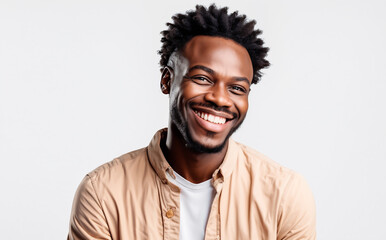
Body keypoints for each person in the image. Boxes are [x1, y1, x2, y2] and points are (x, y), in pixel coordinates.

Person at [68, 4, 316, 240]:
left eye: (237, 88)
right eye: (203, 78)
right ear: (167, 80)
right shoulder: (102, 193)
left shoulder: (285, 194)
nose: (220, 99)